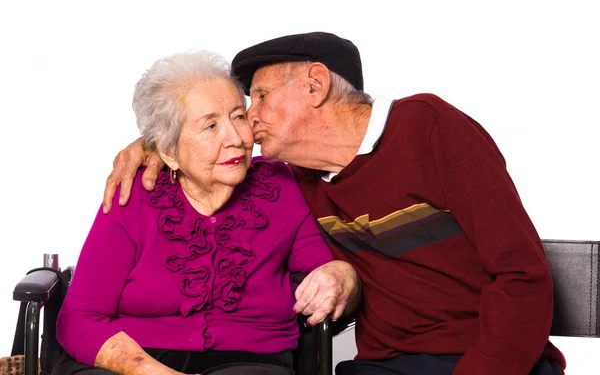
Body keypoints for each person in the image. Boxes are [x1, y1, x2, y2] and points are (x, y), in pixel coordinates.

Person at [103, 32, 566, 375]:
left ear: (315, 84)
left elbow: (522, 275)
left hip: (491, 359)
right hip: (384, 366)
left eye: (260, 96)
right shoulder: (294, 179)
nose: (250, 119)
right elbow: (203, 151)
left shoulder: (430, 129)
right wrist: (151, 144)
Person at [55, 49, 359, 375]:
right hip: (136, 358)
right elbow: (79, 318)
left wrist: (344, 276)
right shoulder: (135, 195)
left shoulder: (279, 186)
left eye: (238, 116)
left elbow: (329, 279)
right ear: (169, 152)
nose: (236, 138)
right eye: (211, 126)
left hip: (251, 362)